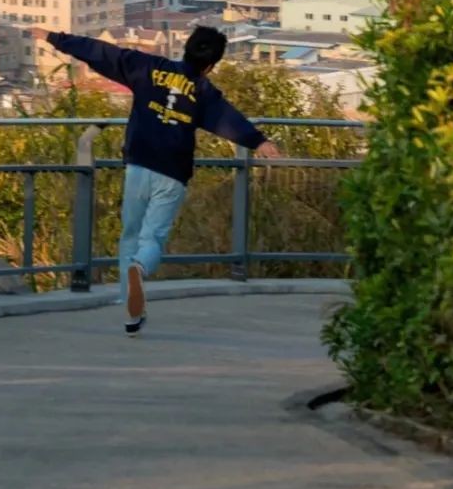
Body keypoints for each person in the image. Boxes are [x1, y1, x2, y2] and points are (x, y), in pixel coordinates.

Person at [33, 24, 281, 334]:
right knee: (152, 238)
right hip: (172, 173)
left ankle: (130, 310)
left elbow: (103, 53)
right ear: (210, 64)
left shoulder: (148, 67)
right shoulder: (204, 92)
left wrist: (55, 38)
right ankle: (141, 268)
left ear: (185, 48)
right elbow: (228, 120)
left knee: (130, 235)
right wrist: (259, 142)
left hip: (138, 165)